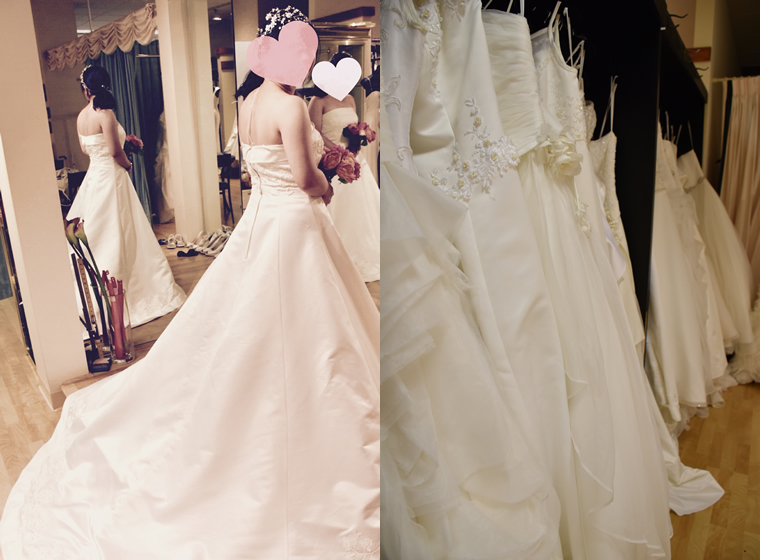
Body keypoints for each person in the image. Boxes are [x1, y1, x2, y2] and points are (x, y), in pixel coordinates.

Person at [0, 9, 379, 558]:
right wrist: (330, 181)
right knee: (310, 318)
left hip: (261, 221)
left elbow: (256, 171)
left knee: (257, 318)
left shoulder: (250, 103)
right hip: (295, 222)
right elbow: (303, 178)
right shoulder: (293, 106)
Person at [68, 65, 185, 326]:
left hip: (94, 177)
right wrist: (128, 163)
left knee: (100, 230)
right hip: (112, 177)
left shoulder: (81, 116)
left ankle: (96, 290)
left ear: (85, 89)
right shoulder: (105, 113)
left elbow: (87, 150)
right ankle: (127, 287)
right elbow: (114, 151)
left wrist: (118, 148)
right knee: (121, 228)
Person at [308, 53, 380, 282]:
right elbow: (315, 133)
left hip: (355, 159)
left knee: (363, 212)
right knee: (339, 210)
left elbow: (353, 126)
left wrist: (360, 137)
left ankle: (363, 255)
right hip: (333, 161)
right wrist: (338, 152)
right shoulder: (317, 101)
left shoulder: (349, 99)